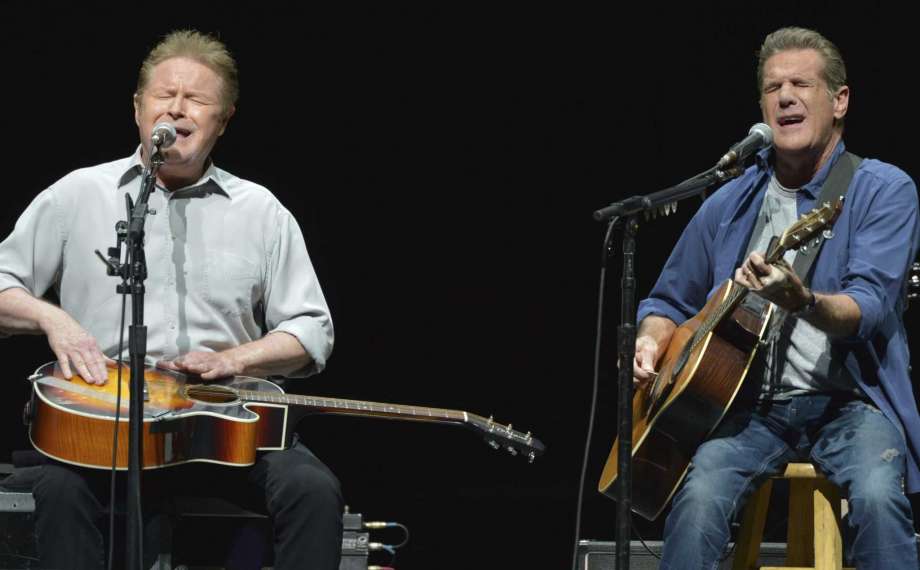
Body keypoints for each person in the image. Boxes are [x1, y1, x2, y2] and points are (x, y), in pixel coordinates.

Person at [0, 30, 342, 569]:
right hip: (101, 426)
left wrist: (234, 359)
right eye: (165, 96)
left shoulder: (261, 211)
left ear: (223, 120)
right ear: (139, 108)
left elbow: (311, 330)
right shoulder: (78, 194)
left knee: (313, 492)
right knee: (60, 493)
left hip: (218, 429)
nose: (177, 111)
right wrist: (52, 319)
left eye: (197, 101)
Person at [632, 27, 920, 569]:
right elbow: (668, 300)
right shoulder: (730, 200)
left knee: (880, 497)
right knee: (695, 501)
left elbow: (870, 308)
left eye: (800, 84)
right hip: (748, 412)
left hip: (850, 405)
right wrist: (651, 342)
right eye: (773, 88)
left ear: (839, 101)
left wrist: (804, 300)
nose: (785, 96)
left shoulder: (882, 190)